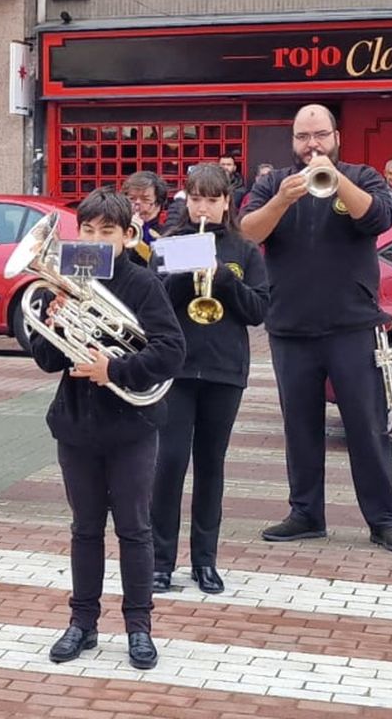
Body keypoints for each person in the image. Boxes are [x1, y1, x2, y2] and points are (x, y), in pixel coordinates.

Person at [238, 104, 392, 554]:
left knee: (366, 425)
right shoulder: (272, 182)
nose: (311, 145)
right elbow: (246, 231)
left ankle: (384, 519)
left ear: (336, 136)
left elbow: (380, 219)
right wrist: (283, 199)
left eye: (319, 135)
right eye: (302, 137)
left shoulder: (363, 176)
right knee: (299, 426)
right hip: (290, 325)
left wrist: (335, 179)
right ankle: (305, 513)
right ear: (292, 140)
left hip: (352, 325)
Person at [29, 189, 185, 672]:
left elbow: (171, 351)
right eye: (88, 231)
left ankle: (139, 628)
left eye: (107, 232)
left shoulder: (142, 285)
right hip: (77, 426)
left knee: (135, 530)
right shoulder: (68, 281)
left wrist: (113, 370)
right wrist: (48, 323)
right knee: (85, 528)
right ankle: (82, 623)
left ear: (125, 235)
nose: (96, 239)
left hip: (132, 426)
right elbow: (48, 359)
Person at [150, 164, 269, 595]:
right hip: (178, 369)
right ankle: (160, 561)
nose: (204, 206)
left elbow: (258, 310)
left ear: (225, 203)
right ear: (187, 200)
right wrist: (187, 273)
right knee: (170, 463)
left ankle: (205, 561)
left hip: (224, 370)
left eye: (212, 199)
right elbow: (157, 304)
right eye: (196, 198)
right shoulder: (171, 244)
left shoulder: (244, 249)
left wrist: (221, 276)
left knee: (210, 467)